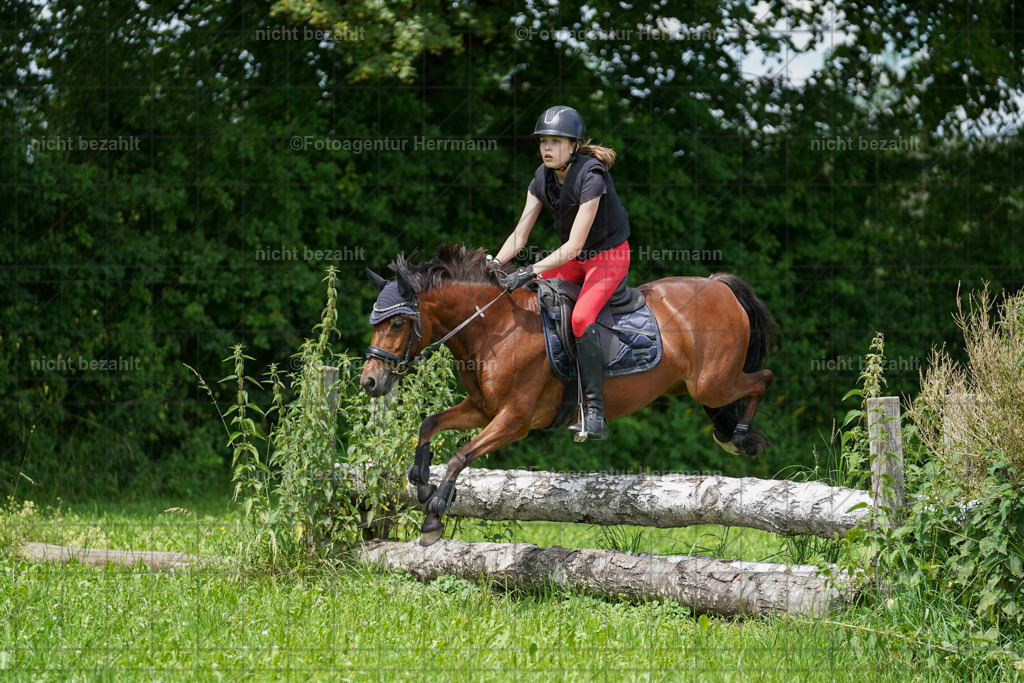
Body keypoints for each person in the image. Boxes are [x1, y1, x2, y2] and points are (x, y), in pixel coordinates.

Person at [494, 105, 631, 441]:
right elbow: (520, 235)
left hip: (607, 256)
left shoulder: (592, 175)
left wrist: (527, 270)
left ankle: (595, 413)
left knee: (582, 318)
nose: (547, 147)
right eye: (543, 140)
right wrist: (494, 267)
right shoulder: (541, 177)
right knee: (536, 299)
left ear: (573, 146)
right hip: (574, 257)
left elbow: (573, 245)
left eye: (556, 141)